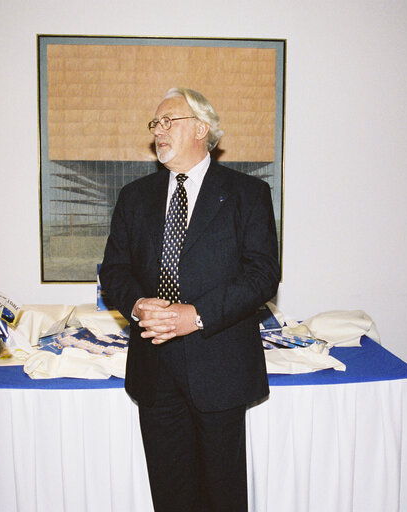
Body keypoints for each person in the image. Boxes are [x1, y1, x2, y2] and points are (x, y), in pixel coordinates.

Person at [99, 88, 280, 511]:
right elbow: (114, 271)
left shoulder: (247, 193)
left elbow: (263, 275)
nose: (159, 131)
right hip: (154, 368)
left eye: (169, 121)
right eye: (155, 124)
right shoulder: (134, 197)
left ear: (202, 128)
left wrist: (196, 316)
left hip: (220, 365)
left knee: (222, 494)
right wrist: (138, 306)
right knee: (170, 494)